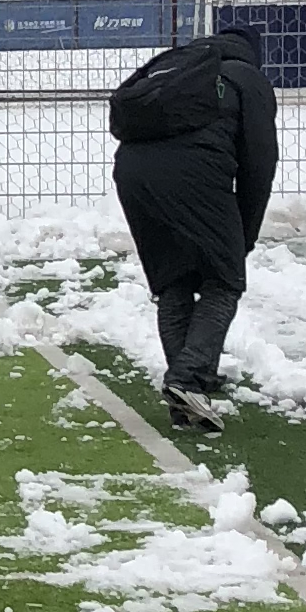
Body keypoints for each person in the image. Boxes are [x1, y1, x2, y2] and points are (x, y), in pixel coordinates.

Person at [110, 23, 278, 433]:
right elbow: (259, 164)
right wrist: (243, 237)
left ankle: (186, 395)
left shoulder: (183, 69)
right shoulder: (248, 79)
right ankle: (188, 378)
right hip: (196, 173)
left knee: (175, 282)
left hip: (133, 173)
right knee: (224, 281)